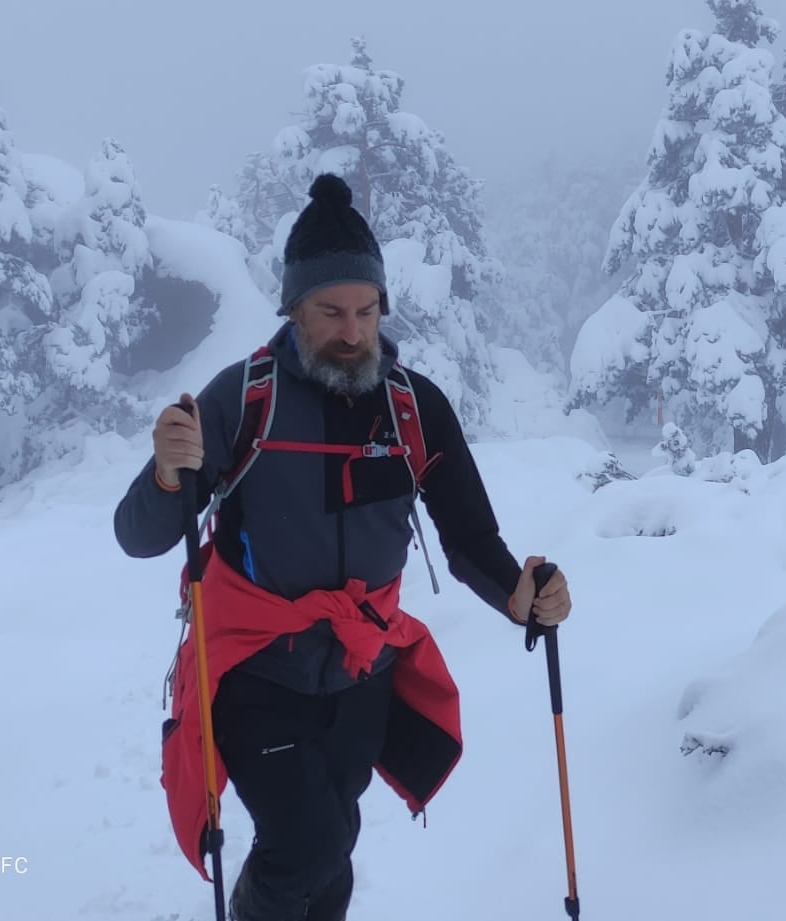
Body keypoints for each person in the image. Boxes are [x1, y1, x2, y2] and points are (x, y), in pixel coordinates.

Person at [113, 173, 572, 921]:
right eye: (330, 311)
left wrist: (522, 596)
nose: (353, 331)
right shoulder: (244, 399)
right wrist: (169, 473)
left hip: (362, 672)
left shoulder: (413, 407)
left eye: (366, 309)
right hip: (256, 671)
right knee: (307, 841)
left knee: (332, 848)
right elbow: (139, 536)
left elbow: (471, 539)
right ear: (293, 308)